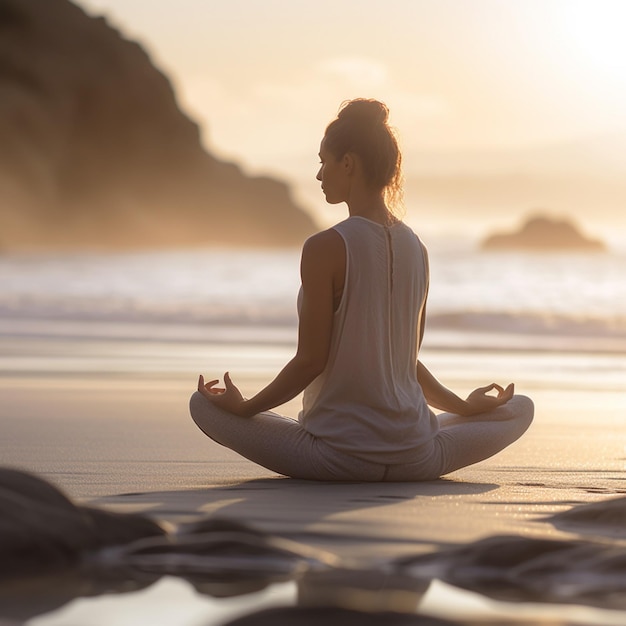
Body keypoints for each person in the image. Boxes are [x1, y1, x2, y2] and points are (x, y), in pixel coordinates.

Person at [190, 98, 533, 482]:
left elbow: (311, 361)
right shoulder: (418, 249)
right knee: (521, 407)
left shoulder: (323, 247)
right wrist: (465, 410)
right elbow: (406, 365)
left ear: (348, 163)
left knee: (203, 406)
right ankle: (422, 437)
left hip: (336, 459)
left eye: (324, 161)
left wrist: (246, 408)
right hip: (417, 458)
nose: (319, 175)